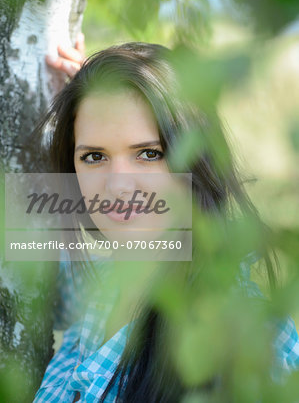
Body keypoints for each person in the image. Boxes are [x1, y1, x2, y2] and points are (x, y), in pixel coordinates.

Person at [34, 40, 299, 402]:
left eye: (149, 153)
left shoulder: (251, 335)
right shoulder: (96, 287)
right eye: (95, 156)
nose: (118, 186)